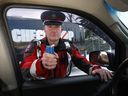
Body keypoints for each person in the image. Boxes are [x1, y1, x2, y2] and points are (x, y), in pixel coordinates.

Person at [20, 10, 113, 81]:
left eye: (57, 26)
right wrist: (40, 64)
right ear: (44, 29)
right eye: (49, 26)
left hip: (63, 86)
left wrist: (95, 69)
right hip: (41, 88)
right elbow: (24, 69)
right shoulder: (36, 45)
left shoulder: (68, 45)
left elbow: (82, 62)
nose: (53, 30)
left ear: (61, 29)